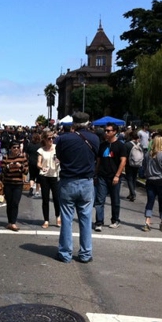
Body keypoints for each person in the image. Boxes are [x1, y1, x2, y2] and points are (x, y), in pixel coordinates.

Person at [55, 112, 100, 263]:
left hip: (68, 180)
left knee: (66, 218)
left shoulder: (64, 139)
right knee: (86, 219)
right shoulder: (94, 138)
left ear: (73, 123)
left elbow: (59, 156)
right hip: (86, 181)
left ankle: (65, 253)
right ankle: (86, 253)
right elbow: (96, 157)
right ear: (88, 123)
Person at [94, 123, 127, 231]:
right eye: (105, 131)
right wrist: (96, 173)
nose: (106, 133)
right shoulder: (102, 145)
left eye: (108, 131)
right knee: (99, 200)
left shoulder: (121, 145)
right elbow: (98, 160)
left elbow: (123, 161)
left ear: (114, 132)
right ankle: (99, 222)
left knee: (115, 200)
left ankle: (115, 220)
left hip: (114, 176)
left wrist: (117, 175)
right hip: (102, 176)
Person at [141, 136, 162, 231]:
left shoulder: (147, 154)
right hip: (161, 180)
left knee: (150, 201)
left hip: (150, 180)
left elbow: (144, 166)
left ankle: (147, 221)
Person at [1, 140, 28, 232]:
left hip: (18, 184)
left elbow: (26, 171)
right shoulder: (6, 157)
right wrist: (8, 167)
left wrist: (20, 166)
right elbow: (3, 171)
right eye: (14, 147)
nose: (16, 149)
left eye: (17, 147)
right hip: (8, 183)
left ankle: (13, 223)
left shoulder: (22, 158)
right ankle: (9, 222)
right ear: (10, 149)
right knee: (9, 203)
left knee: (15, 203)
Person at [37, 131, 60, 228]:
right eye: (49, 138)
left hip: (55, 175)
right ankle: (46, 220)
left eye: (52, 138)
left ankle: (58, 217)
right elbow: (38, 163)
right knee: (45, 199)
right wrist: (41, 167)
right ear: (45, 140)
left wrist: (59, 161)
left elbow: (63, 158)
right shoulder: (41, 150)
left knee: (56, 198)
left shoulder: (57, 148)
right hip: (44, 176)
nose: (51, 140)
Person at [124, 130, 140, 202]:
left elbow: (125, 155)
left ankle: (132, 193)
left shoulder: (127, 144)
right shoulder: (140, 145)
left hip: (129, 163)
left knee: (129, 178)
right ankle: (131, 193)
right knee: (134, 178)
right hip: (137, 163)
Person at [24, 132, 42, 197]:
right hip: (39, 162)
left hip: (31, 162)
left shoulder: (29, 145)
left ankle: (31, 187)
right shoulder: (40, 145)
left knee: (32, 176)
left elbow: (26, 154)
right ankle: (37, 191)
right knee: (38, 177)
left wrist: (27, 159)